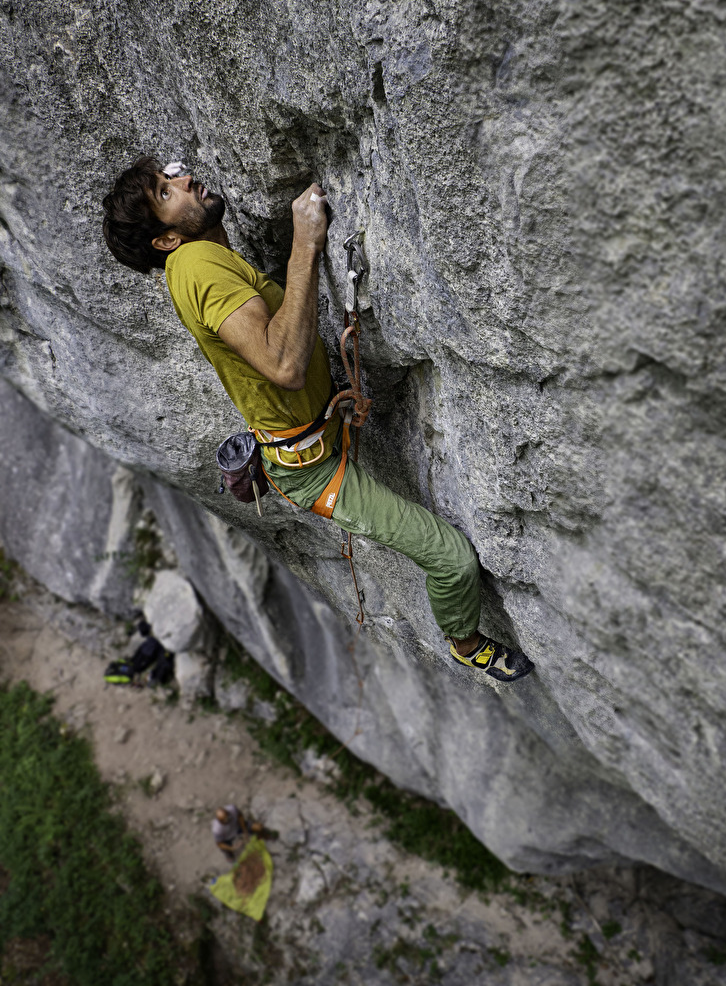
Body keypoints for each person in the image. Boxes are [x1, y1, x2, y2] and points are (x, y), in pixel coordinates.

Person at [102, 157, 533, 682]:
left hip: (317, 433)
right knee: (451, 558)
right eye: (166, 194)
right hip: (312, 469)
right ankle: (466, 642)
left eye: (172, 176)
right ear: (166, 240)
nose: (184, 180)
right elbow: (283, 364)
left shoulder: (202, 259)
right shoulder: (196, 267)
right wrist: (305, 243)